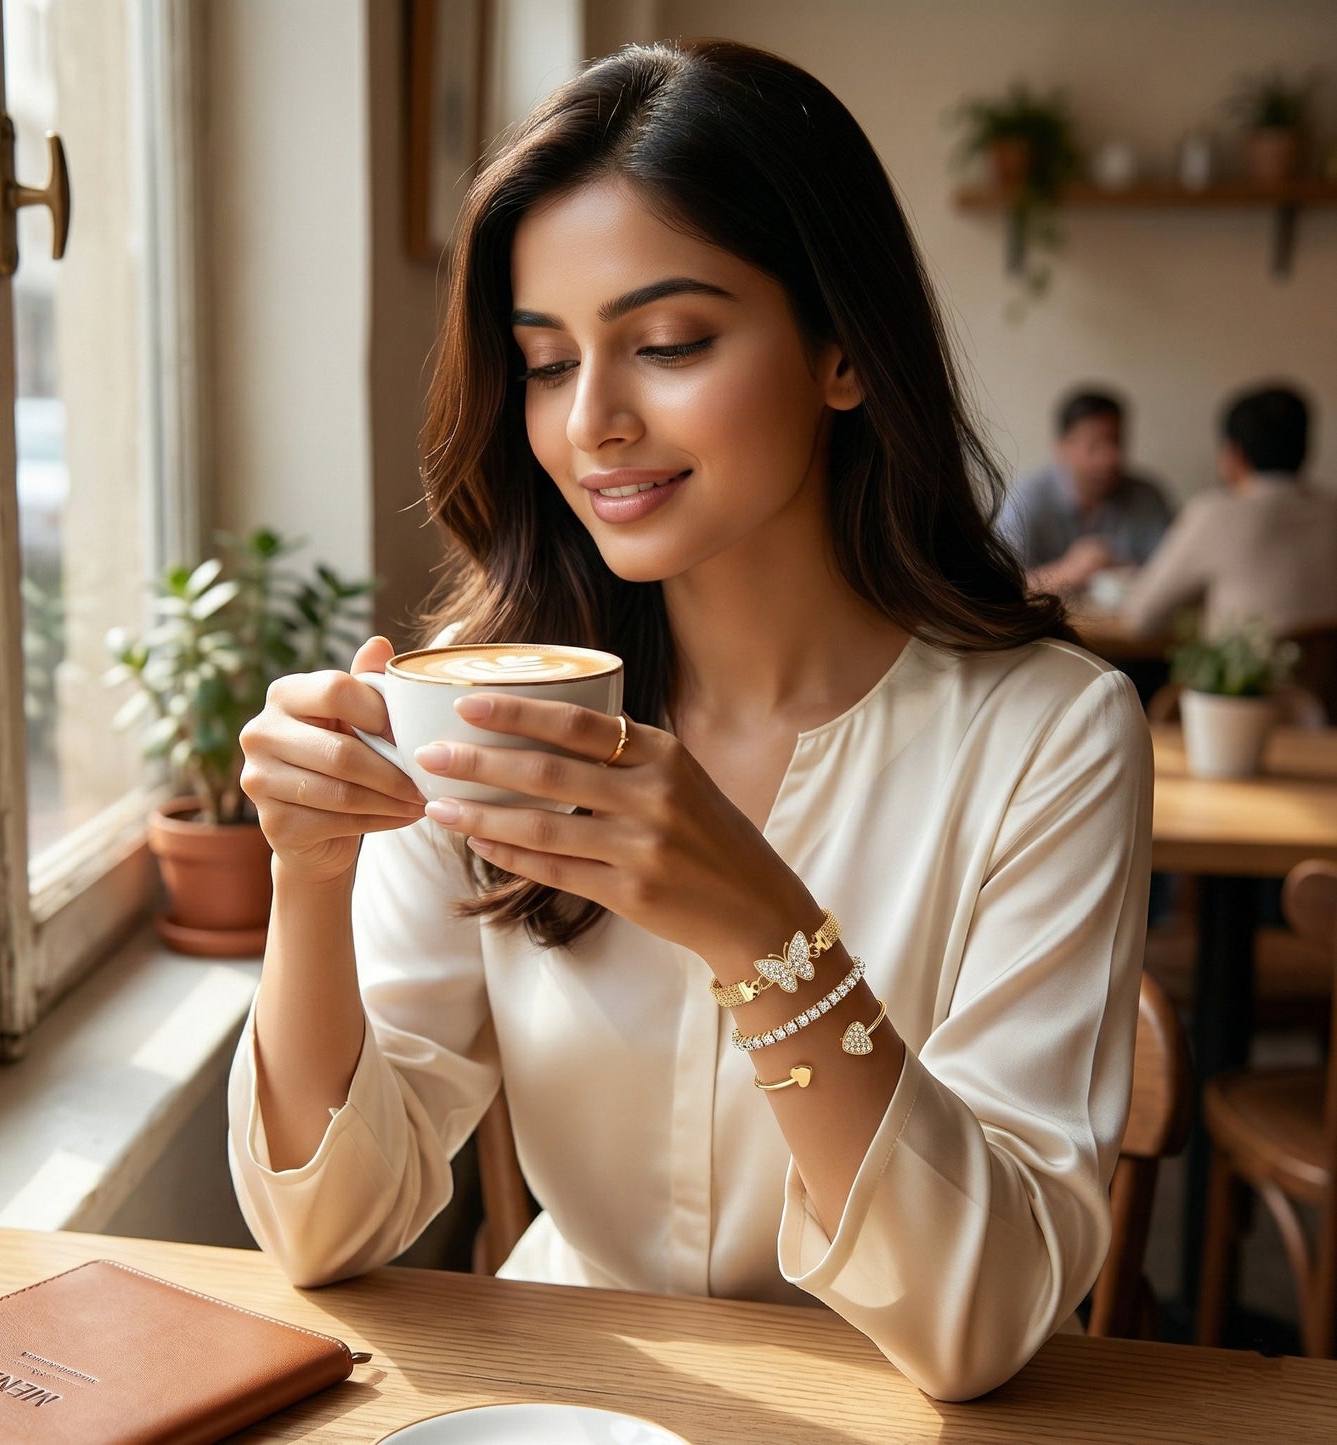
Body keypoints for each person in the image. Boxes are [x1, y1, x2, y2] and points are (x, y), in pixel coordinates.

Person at [229, 40, 1151, 1403]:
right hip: (556, 1407)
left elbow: (981, 1323)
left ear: (842, 349)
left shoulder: (1053, 738)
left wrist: (760, 931)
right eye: (545, 363)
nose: (593, 419)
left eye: (667, 344)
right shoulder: (481, 708)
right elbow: (322, 1228)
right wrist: (307, 874)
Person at [1123, 384, 1337, 639]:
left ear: (1233, 453)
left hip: (1247, 678)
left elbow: (1143, 615)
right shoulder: (1330, 509)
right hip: (1324, 678)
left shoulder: (1216, 513)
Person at [998, 390, 1172, 597]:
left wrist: (1120, 567)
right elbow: (996, 585)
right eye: (1095, 445)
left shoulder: (1147, 497)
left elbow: (1177, 578)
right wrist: (1067, 572)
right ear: (1064, 447)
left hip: (1132, 628)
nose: (1110, 458)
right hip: (1047, 628)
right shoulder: (1027, 499)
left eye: (1116, 442)